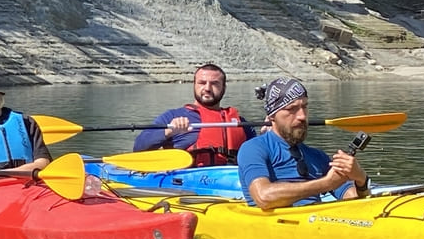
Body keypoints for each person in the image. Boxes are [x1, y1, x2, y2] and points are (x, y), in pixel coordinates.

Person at [238, 77, 370, 209]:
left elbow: (354, 201)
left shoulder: (317, 156)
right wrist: (326, 184)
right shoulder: (253, 149)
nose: (302, 116)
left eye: (304, 106)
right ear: (272, 115)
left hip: (315, 219)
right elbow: (263, 197)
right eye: (292, 109)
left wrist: (360, 179)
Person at [132, 63, 255, 164]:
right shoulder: (172, 116)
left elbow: (259, 153)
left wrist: (266, 135)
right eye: (202, 83)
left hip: (231, 177)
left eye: (214, 84)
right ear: (194, 85)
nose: (207, 88)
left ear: (224, 88)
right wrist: (168, 132)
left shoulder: (239, 122)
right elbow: (138, 147)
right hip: (189, 180)